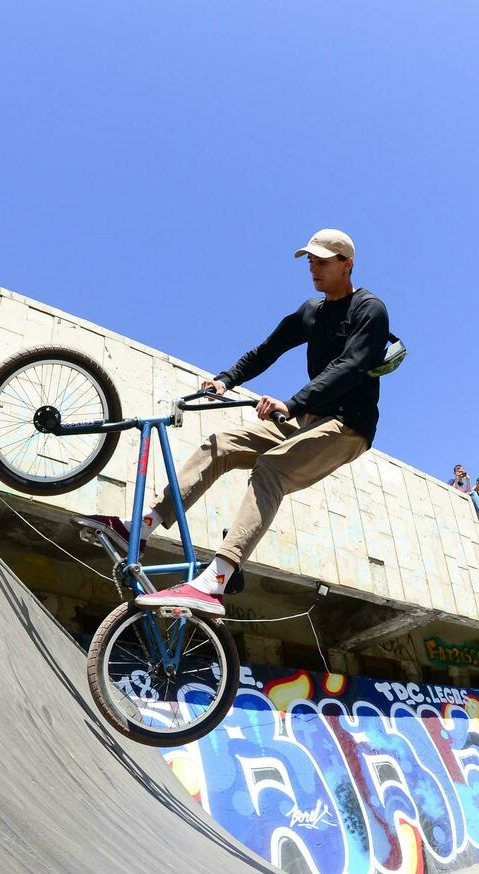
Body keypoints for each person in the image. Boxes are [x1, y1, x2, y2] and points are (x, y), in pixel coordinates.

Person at [75, 229, 388, 616]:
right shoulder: (312, 311)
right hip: (307, 417)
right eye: (310, 261)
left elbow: (350, 367)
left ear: (347, 264)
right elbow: (267, 350)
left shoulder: (369, 309)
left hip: (347, 426)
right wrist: (227, 379)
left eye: (322, 262)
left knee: (271, 468)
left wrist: (291, 404)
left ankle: (217, 578)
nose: (314, 269)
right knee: (220, 444)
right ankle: (139, 529)